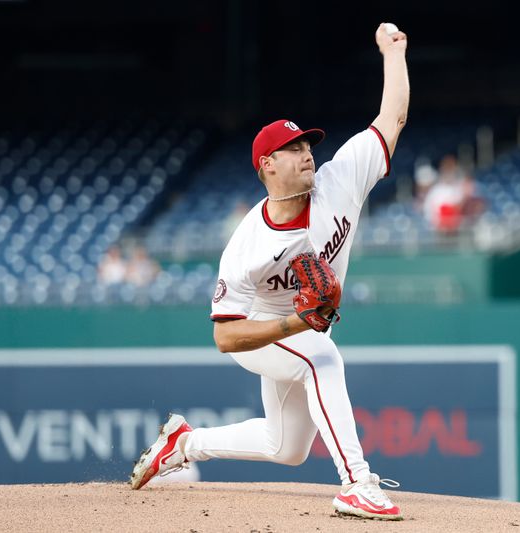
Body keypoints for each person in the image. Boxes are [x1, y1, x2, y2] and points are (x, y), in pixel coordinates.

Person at [129, 23, 410, 521]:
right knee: (321, 355)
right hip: (265, 329)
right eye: (293, 149)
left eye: (307, 146)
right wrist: (296, 324)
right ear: (267, 166)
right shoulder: (247, 246)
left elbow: (393, 117)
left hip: (300, 326)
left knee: (287, 447)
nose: (306, 154)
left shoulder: (339, 181)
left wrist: (394, 52)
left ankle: (184, 444)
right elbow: (226, 338)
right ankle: (357, 483)